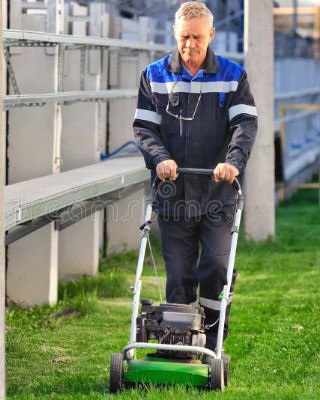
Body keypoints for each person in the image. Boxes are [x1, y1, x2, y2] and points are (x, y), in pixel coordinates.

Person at [133, 2, 258, 352]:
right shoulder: (154, 76)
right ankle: (178, 345)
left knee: (216, 267)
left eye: (198, 37)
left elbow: (244, 126)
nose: (190, 45)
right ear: (175, 34)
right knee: (179, 276)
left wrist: (233, 162)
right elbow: (144, 129)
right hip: (174, 193)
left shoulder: (233, 76)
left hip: (219, 192)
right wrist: (160, 159)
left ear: (211, 35)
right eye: (185, 37)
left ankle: (212, 339)